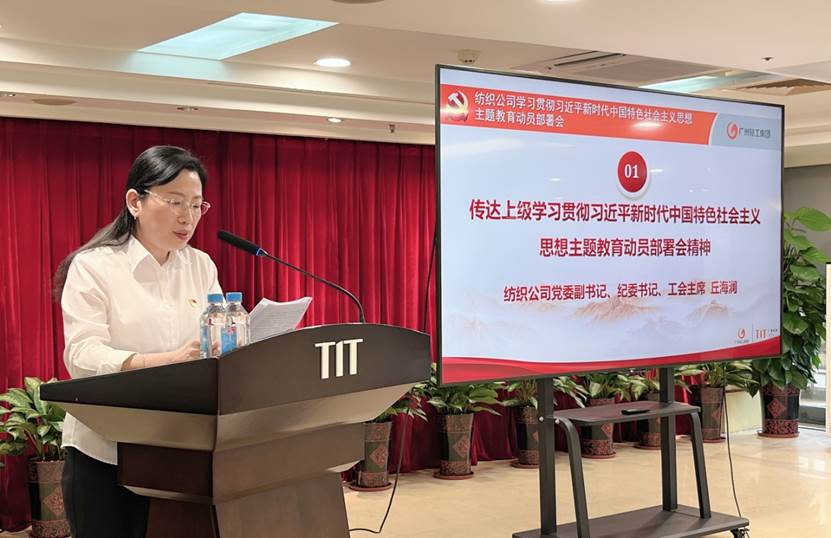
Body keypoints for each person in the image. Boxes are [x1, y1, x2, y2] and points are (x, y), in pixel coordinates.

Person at [52, 145, 221, 538]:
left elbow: (216, 336)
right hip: (107, 453)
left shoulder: (201, 266)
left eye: (196, 205)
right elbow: (82, 354)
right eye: (175, 202)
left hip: (181, 451)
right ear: (135, 202)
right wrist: (162, 361)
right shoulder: (95, 267)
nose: (188, 217)